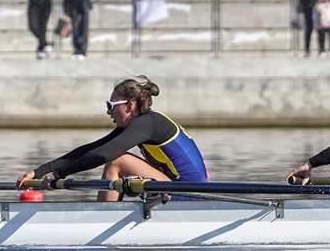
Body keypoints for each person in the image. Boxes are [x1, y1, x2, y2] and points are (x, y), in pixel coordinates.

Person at [16, 76, 208, 201]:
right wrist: (39, 171)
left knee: (116, 160)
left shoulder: (147, 123)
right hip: (179, 188)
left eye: (111, 105)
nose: (108, 111)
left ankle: (105, 218)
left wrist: (58, 176)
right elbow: (91, 149)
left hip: (190, 193)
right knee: (114, 157)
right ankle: (108, 214)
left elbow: (103, 155)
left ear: (130, 105)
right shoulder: (141, 124)